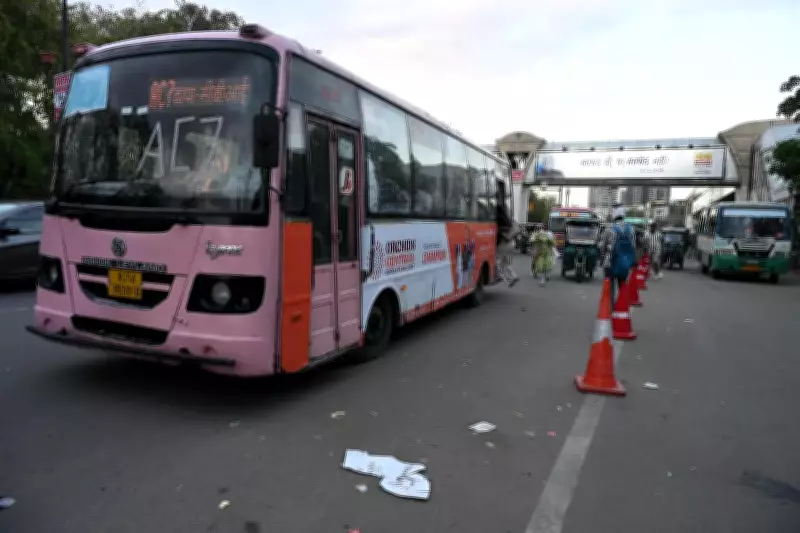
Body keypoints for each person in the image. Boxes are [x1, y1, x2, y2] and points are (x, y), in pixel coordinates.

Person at [600, 205, 636, 305]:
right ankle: (621, 307)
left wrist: (602, 258)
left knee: (610, 286)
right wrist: (633, 261)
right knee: (622, 285)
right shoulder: (631, 229)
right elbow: (633, 246)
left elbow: (602, 246)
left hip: (610, 262)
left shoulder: (609, 228)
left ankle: (610, 308)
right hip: (625, 262)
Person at [495, 204, 520, 287]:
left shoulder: (498, 218)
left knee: (497, 260)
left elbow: (498, 231)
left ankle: (500, 277)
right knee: (505, 261)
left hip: (503, 243)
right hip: (511, 243)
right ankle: (513, 276)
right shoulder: (507, 219)